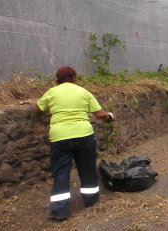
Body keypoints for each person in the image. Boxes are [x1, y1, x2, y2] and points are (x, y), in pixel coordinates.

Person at [36, 66, 114, 220]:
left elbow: (38, 109)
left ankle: (60, 211)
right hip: (84, 135)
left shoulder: (51, 92)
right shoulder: (83, 92)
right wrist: (109, 116)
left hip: (60, 138)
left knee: (61, 172)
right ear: (74, 78)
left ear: (57, 80)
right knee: (87, 169)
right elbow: (99, 114)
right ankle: (91, 201)